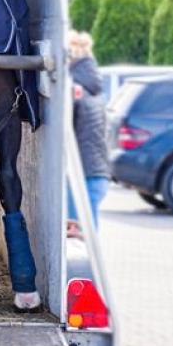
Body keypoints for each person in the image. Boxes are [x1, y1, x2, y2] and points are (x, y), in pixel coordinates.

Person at [67, 30, 109, 237]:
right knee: (88, 239)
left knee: (77, 239)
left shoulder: (73, 88)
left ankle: (88, 271)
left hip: (80, 175)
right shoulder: (95, 88)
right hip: (97, 173)